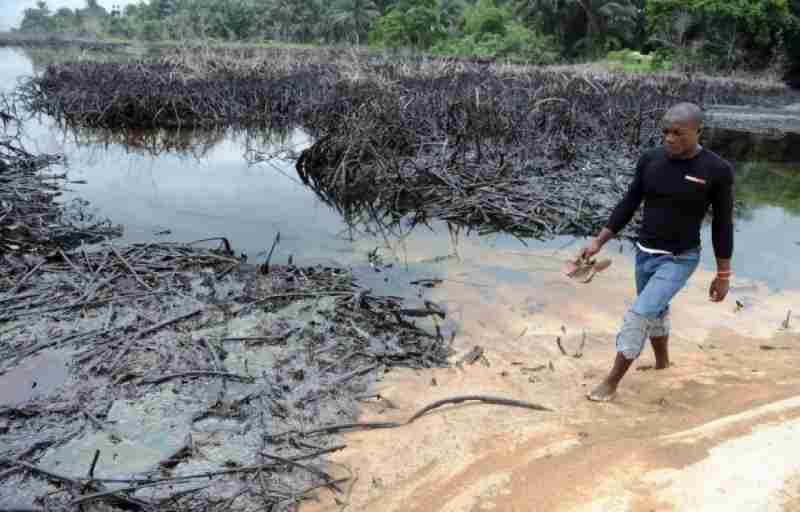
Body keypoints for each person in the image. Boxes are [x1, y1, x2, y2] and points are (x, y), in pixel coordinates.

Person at [579, 102, 734, 402]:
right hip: (644, 253)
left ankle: (611, 382)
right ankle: (663, 362)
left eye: (679, 133)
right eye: (665, 132)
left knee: (640, 314)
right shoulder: (651, 160)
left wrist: (723, 274)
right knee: (656, 311)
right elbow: (629, 202)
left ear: (699, 131)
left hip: (680, 258)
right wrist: (599, 241)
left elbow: (723, 226)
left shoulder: (716, 170)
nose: (670, 139)